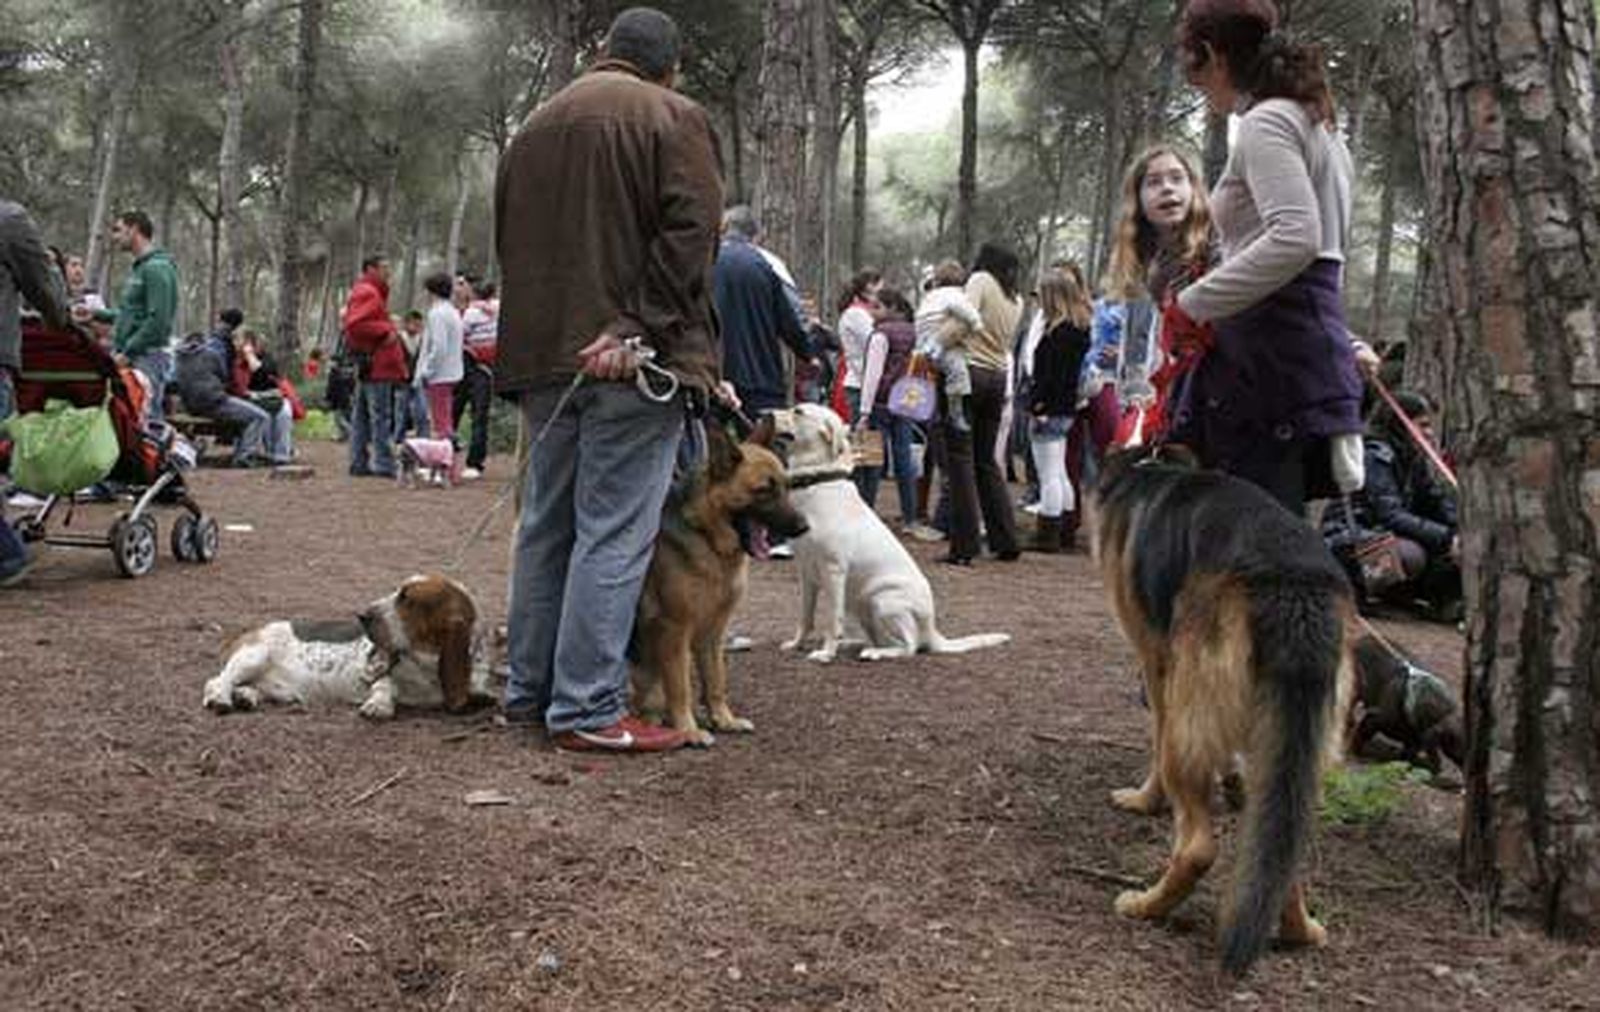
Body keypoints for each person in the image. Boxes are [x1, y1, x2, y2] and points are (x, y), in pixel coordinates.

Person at [495, 6, 723, 753]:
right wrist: (640, 327)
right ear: (671, 66)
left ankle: (528, 694)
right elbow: (693, 235)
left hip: (543, 359)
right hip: (634, 365)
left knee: (545, 527)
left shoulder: (533, 127)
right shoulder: (673, 115)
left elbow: (511, 245)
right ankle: (587, 709)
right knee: (615, 532)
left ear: (602, 53)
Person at [1165, 0, 1365, 513]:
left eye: (1192, 64)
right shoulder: (1316, 122)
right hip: (1301, 350)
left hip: (1269, 359)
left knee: (1252, 543)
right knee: (1278, 533)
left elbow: (1297, 238)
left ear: (1210, 52)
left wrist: (1192, 304)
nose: (1195, 83)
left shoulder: (1265, 122)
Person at [1322, 389, 1462, 622]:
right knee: (1409, 556)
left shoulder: (1413, 459)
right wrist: (1447, 538)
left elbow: (1435, 501)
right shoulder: (1375, 455)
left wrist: (1461, 533)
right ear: (1400, 422)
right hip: (1350, 539)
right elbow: (1390, 515)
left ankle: (1423, 599)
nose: (1428, 434)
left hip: (1387, 536)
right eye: (1422, 425)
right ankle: (1360, 592)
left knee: (1446, 557)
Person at [1, 200, 71, 586]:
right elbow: (43, 289)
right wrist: (58, 318)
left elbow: (43, 289)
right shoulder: (9, 220)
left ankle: (8, 555)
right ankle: (8, 553)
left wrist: (56, 314)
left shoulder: (8, 221)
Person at [941, 241, 1022, 566]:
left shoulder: (980, 282)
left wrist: (934, 342)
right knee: (986, 461)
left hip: (968, 374)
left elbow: (965, 319)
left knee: (959, 461)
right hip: (997, 378)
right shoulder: (1014, 298)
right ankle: (1006, 539)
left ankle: (964, 545)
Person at [77, 211, 179, 424]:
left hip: (147, 358)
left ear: (134, 230)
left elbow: (158, 320)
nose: (114, 237)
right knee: (130, 422)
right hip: (133, 356)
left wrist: (128, 352)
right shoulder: (140, 269)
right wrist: (95, 315)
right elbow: (131, 314)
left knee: (146, 422)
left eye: (118, 230)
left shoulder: (157, 268)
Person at [713, 205, 814, 417]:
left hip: (715, 375)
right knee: (764, 445)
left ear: (724, 228)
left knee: (711, 446)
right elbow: (789, 318)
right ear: (756, 235)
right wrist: (807, 352)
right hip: (761, 375)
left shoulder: (706, 259)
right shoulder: (768, 264)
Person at [1027, 267, 1094, 553]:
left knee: (1049, 473)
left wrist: (1038, 404)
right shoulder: (1080, 329)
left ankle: (1048, 533)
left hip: (1050, 408)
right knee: (1060, 471)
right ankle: (1064, 528)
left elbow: (1049, 376)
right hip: (1067, 408)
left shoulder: (1057, 334)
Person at [853, 288, 918, 529]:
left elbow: (873, 374)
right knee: (903, 458)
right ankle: (910, 516)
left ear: (891, 308)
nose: (871, 312)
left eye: (876, 307)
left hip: (880, 402)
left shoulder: (881, 335)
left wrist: (864, 411)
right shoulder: (913, 332)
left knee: (872, 460)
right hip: (906, 400)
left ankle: (866, 512)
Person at [340, 255, 408, 477]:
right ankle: (383, 463)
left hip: (372, 365)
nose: (389, 272)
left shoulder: (368, 291)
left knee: (362, 416)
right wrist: (386, 330)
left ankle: (358, 462)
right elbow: (355, 324)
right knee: (380, 416)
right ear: (371, 269)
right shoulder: (368, 292)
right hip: (378, 365)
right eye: (385, 268)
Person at [913, 260, 982, 435]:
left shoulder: (930, 296)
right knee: (958, 372)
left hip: (923, 339)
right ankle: (955, 412)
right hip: (940, 338)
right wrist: (977, 323)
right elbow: (965, 310)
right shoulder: (956, 294)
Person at [414, 271, 465, 479]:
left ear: (431, 291)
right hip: (452, 372)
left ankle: (447, 470)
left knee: (441, 425)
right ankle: (450, 468)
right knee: (446, 423)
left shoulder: (436, 314)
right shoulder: (452, 311)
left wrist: (427, 371)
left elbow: (439, 347)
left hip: (440, 376)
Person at [454, 278, 499, 479]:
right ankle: (474, 462)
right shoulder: (496, 308)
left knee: (457, 412)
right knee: (479, 415)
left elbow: (460, 335)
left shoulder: (471, 312)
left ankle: (450, 458)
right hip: (485, 368)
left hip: (470, 365)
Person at [833, 269, 882, 423]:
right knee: (864, 440)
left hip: (865, 382)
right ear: (868, 289)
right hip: (860, 383)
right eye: (880, 289)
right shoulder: (856, 314)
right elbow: (874, 343)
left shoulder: (862, 313)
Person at [395, 309, 429, 437]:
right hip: (402, 380)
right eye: (413, 324)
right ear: (406, 323)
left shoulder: (423, 340)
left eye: (418, 324)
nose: (415, 327)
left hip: (419, 379)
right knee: (401, 411)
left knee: (422, 410)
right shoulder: (399, 339)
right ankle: (398, 437)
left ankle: (423, 437)